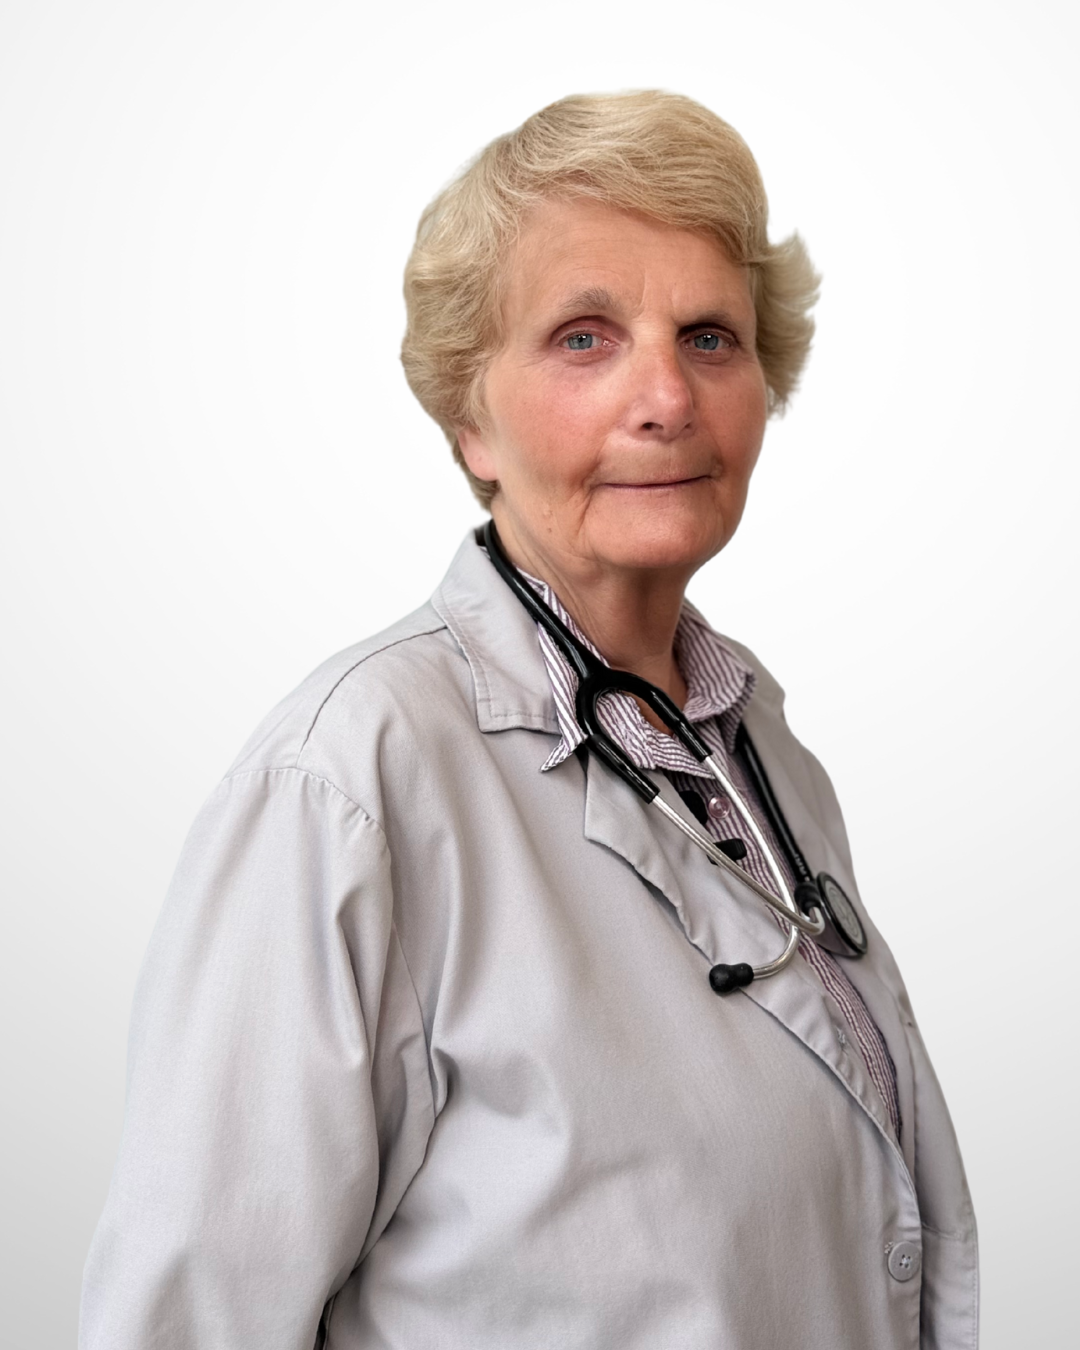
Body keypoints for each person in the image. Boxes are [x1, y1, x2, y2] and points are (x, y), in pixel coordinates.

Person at [80, 91, 978, 1348]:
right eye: (583, 337)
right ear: (470, 421)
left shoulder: (759, 749)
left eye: (710, 337)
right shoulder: (348, 781)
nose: (666, 395)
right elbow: (189, 1319)